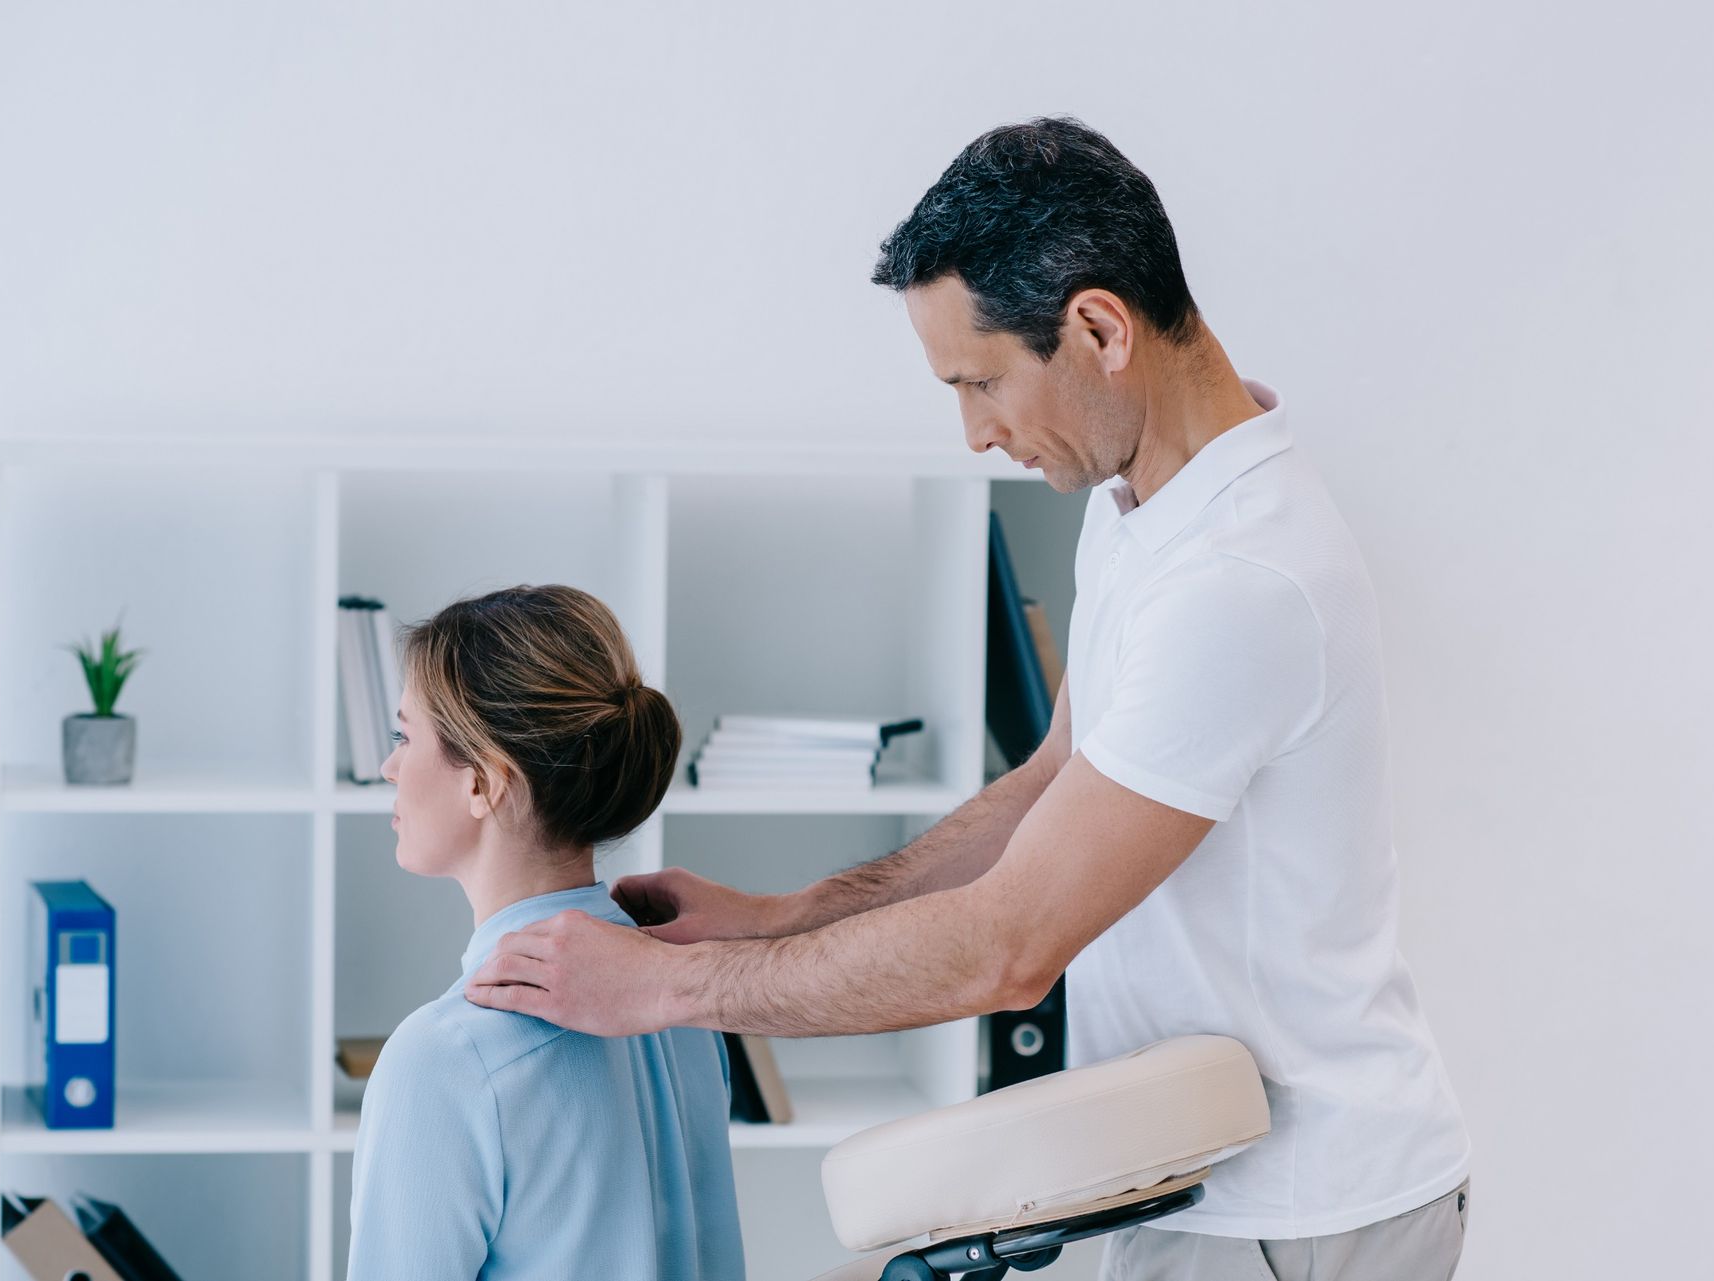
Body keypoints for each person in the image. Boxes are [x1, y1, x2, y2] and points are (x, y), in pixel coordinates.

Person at [466, 117, 1471, 1280]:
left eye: (982, 381)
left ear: (1099, 328)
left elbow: (1009, 950)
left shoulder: (1240, 583)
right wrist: (779, 916)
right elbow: (1050, 787)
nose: (976, 432)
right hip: (1194, 1173)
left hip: (1303, 1212)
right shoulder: (1143, 508)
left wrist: (668, 989)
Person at [347, 584, 742, 1280]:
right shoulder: (683, 1007)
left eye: (405, 737)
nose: (389, 767)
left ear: (483, 783)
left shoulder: (447, 1059)